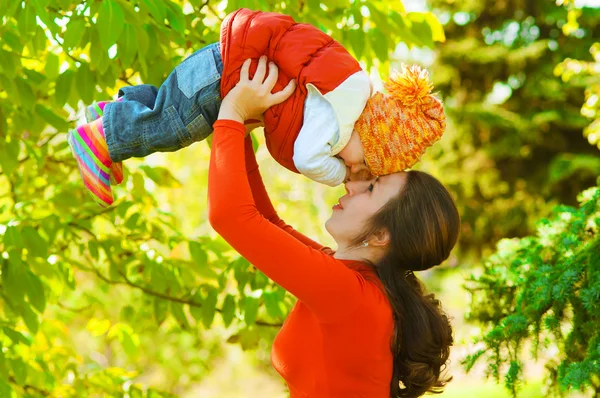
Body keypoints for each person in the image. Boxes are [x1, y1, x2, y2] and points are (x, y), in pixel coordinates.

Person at [207, 58, 459, 396]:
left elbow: (230, 217)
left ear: (380, 235)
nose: (351, 184)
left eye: (371, 188)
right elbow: (265, 222)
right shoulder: (352, 283)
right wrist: (237, 132)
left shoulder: (352, 296)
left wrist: (233, 113)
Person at [67, 8, 446, 207]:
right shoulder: (343, 114)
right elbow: (305, 156)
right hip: (223, 79)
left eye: (356, 170)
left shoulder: (346, 91)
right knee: (172, 128)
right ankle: (100, 140)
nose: (351, 166)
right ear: (368, 130)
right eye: (360, 161)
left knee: (165, 109)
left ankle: (111, 117)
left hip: (222, 69)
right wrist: (339, 176)